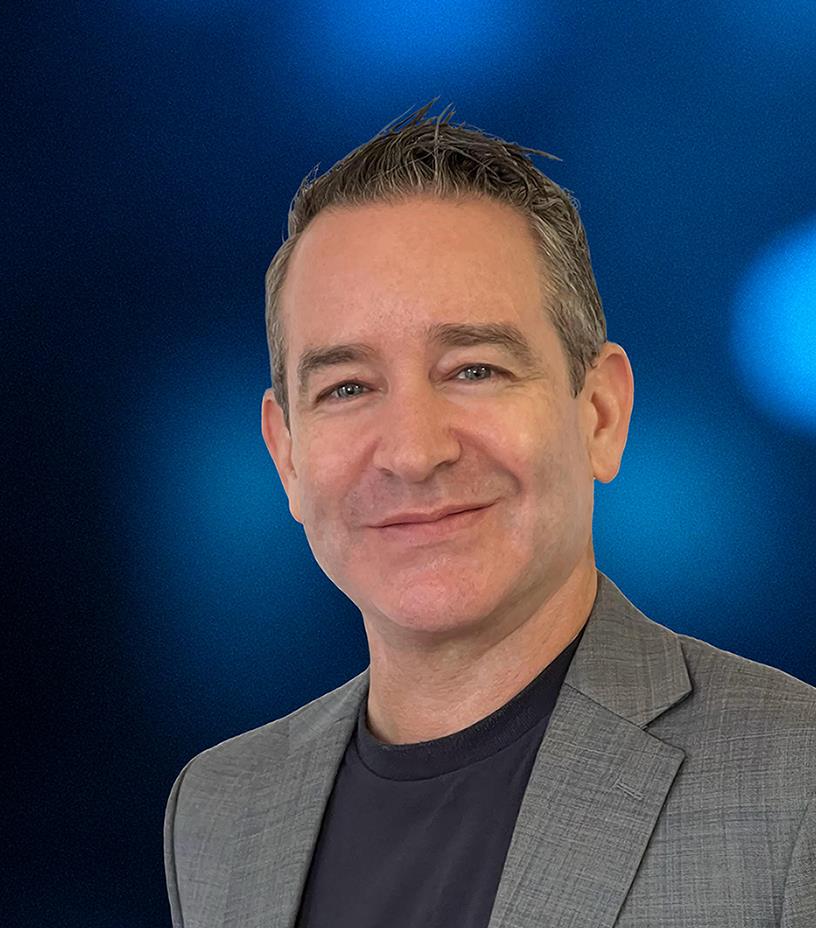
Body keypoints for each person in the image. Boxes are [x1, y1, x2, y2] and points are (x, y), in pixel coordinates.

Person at [163, 100, 816, 927]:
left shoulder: (795, 782)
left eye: (474, 370)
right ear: (286, 454)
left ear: (601, 415)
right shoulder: (218, 809)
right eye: (347, 387)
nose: (413, 451)